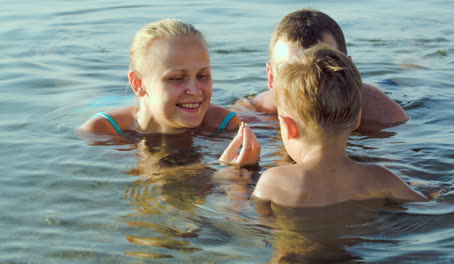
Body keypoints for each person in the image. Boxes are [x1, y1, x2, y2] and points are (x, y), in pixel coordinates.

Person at [252, 45, 428, 211]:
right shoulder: (381, 178)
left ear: (289, 127)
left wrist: (237, 177)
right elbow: (430, 206)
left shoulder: (274, 182)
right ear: (357, 119)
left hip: (295, 243)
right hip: (362, 243)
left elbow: (247, 222)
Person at [79, 19, 259, 165]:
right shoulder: (102, 132)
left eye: (203, 75)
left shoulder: (224, 126)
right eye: (177, 78)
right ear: (138, 83)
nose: (196, 91)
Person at [243, 8, 408, 131]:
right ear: (271, 78)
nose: (307, 84)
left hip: (376, 91)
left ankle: (410, 65)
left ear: (349, 73)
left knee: (393, 81)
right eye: (290, 71)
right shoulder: (259, 111)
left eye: (323, 68)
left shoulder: (382, 114)